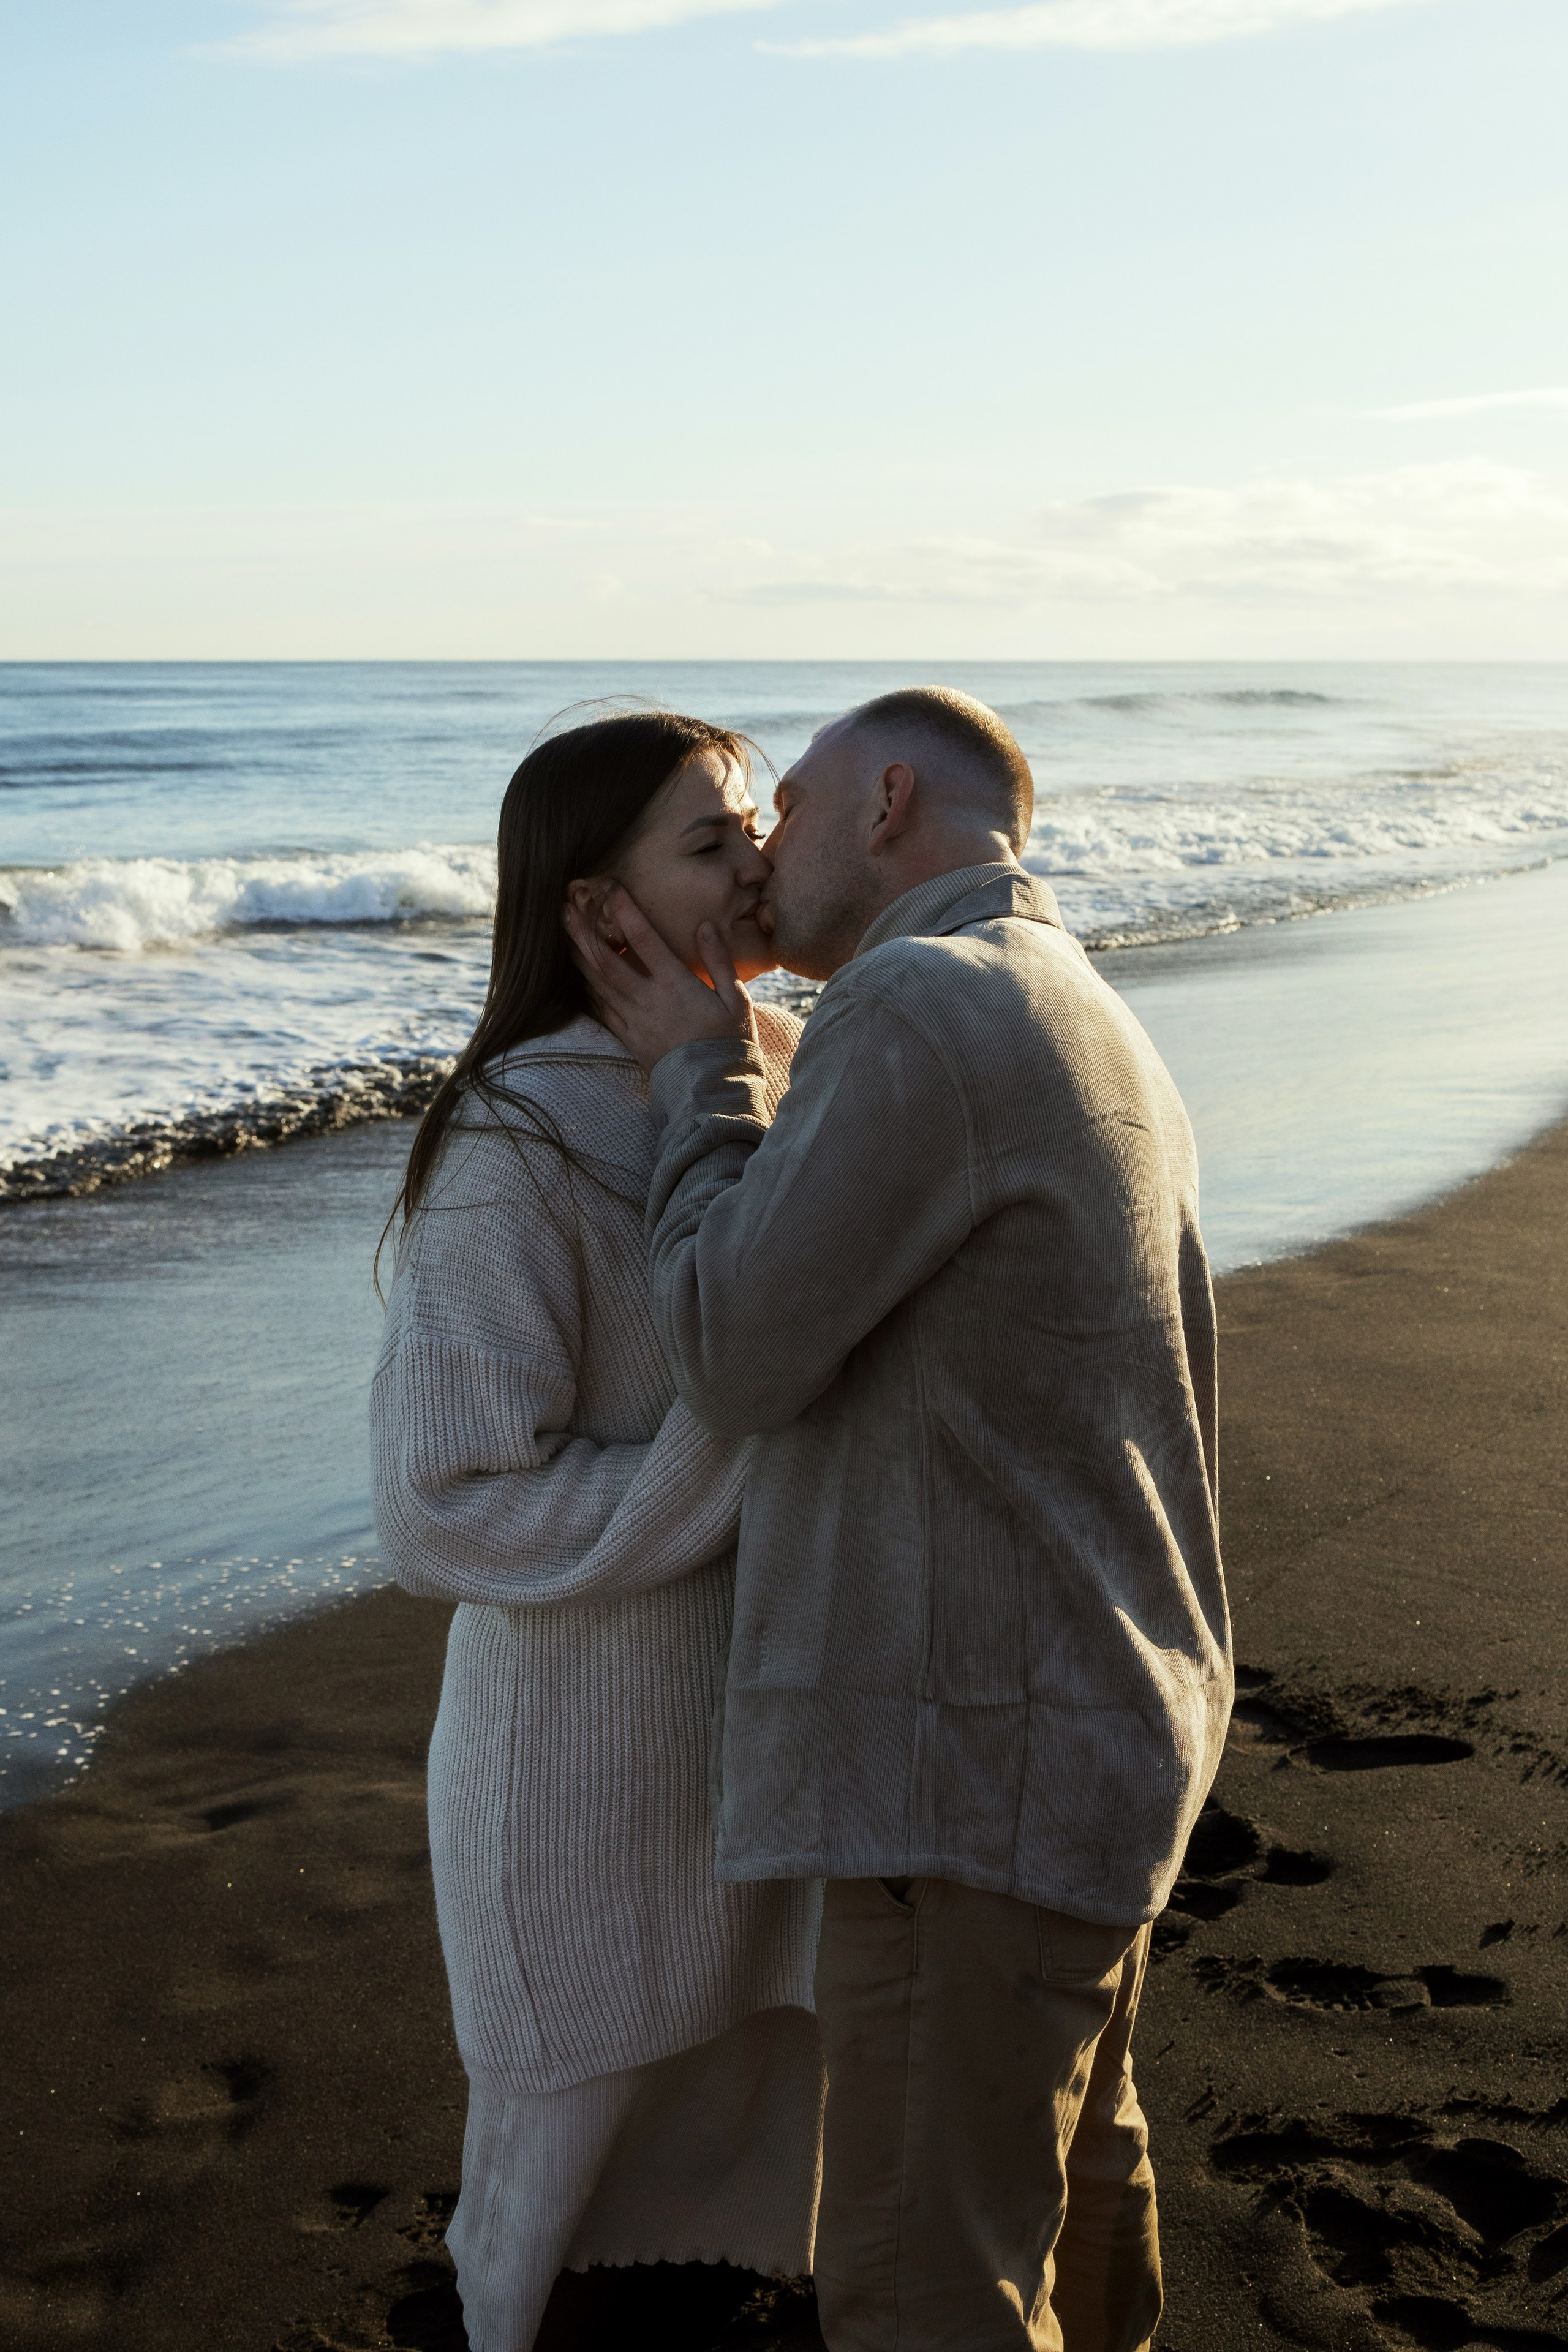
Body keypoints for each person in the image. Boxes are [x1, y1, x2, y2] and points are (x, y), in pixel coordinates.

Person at [565, 685, 1232, 2352]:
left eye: (778, 812)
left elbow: (734, 1348)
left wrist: (706, 1073)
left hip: (967, 1781)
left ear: (881, 808)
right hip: (1098, 1733)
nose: (761, 857)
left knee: (926, 2293)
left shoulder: (924, 1005)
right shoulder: (1083, 1006)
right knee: (1074, 2219)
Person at [371, 709, 825, 2352]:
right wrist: (734, 1440)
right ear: (591, 906)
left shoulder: (798, 1062)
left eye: (760, 826)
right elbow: (444, 1506)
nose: (762, 864)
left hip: (780, 1755)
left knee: (766, 2191)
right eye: (711, 844)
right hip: (590, 1774)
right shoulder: (521, 1141)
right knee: (556, 2238)